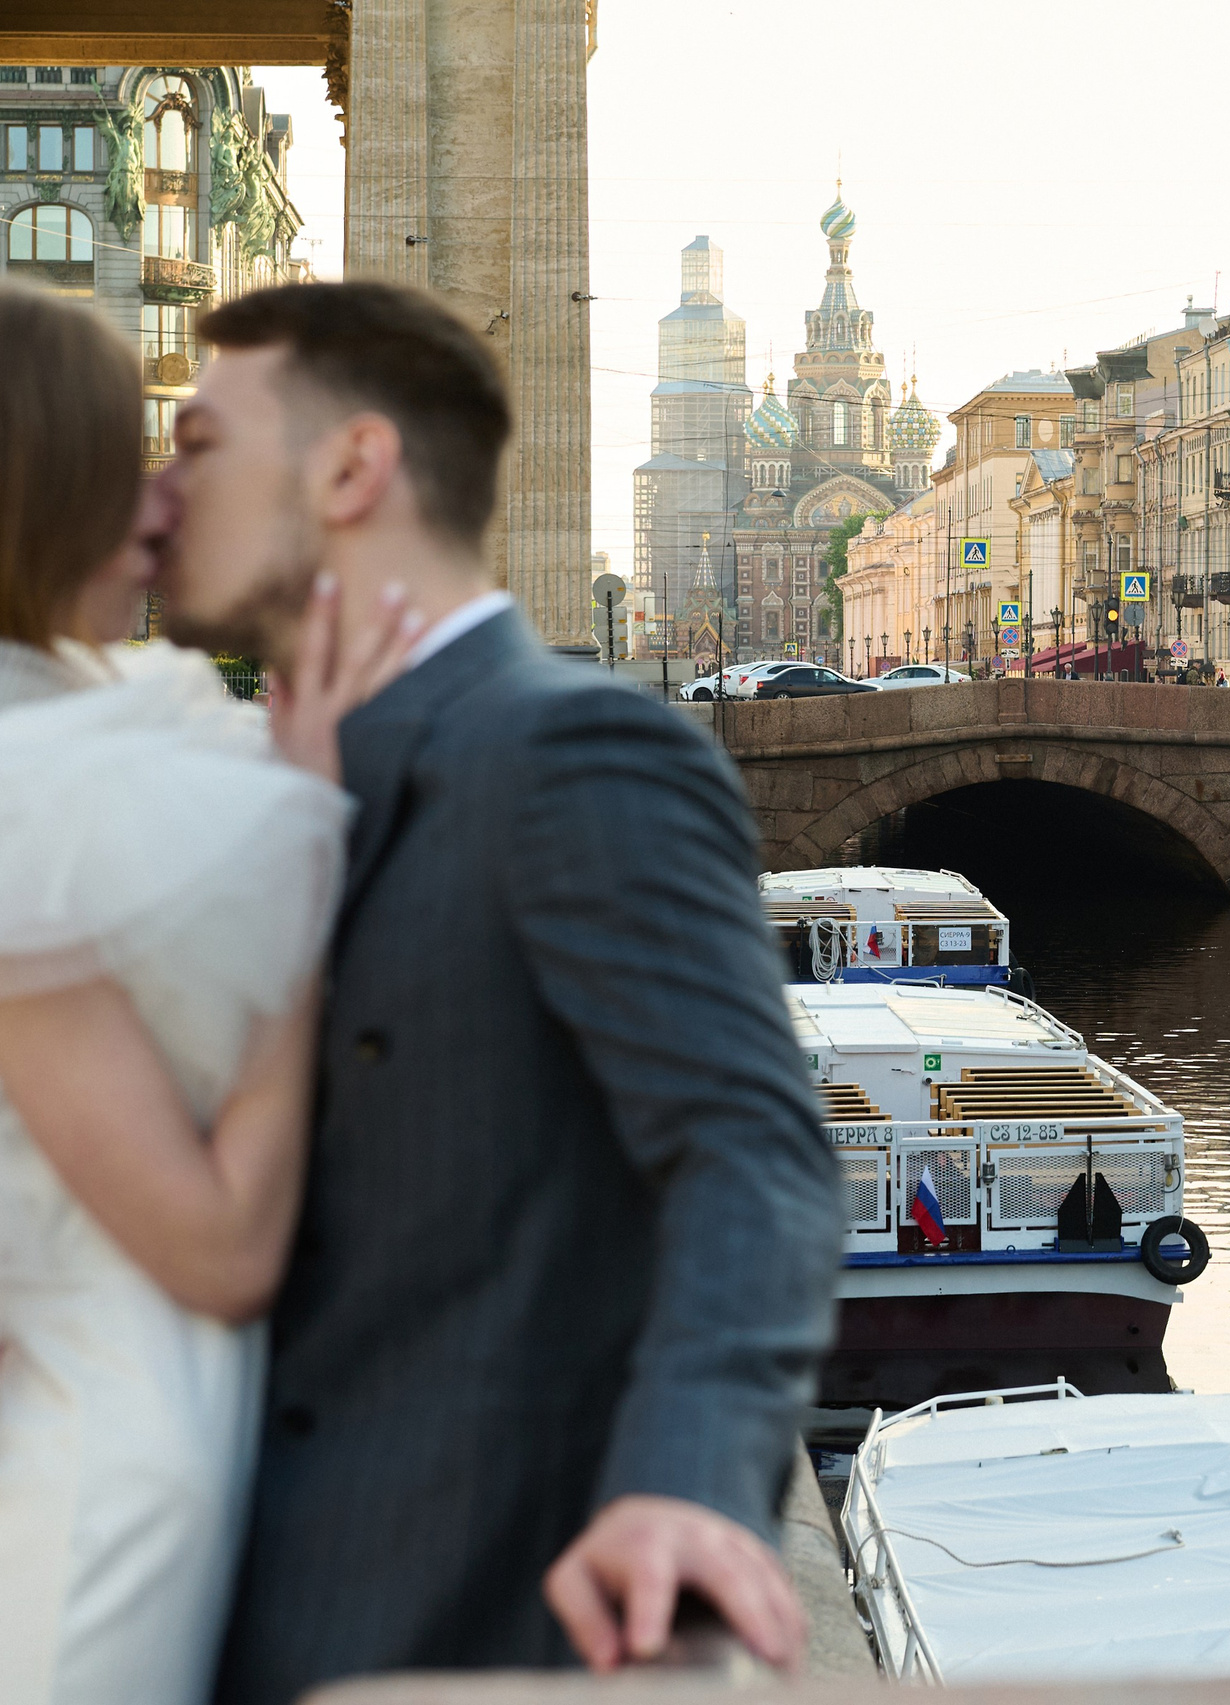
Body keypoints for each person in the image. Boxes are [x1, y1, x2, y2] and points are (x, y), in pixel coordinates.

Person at [144, 284, 839, 1702]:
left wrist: (690, 1487)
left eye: (200, 444)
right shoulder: (279, 765)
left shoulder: (571, 747)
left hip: (433, 1616)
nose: (159, 497)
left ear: (352, 468)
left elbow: (751, 1152)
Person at [0, 277, 397, 1702]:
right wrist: (311, 876)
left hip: (103, 1462)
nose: (157, 504)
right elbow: (219, 1247)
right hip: (95, 1500)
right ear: (14, 499)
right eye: (110, 459)